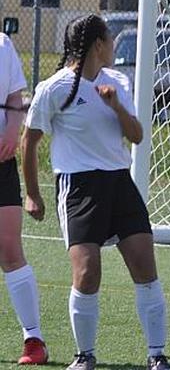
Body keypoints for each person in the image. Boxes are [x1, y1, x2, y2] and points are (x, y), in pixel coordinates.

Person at [21, 15, 170, 370]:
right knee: (87, 272)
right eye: (109, 37)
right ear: (97, 45)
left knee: (144, 267)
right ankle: (84, 355)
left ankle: (157, 355)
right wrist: (32, 194)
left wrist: (115, 106)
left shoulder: (118, 81)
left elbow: (136, 136)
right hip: (79, 188)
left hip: (120, 184)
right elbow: (28, 143)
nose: (113, 44)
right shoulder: (54, 88)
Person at [0, 32, 48, 365]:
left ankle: (34, 340)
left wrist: (11, 130)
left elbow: (15, 98)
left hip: (0, 161)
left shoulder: (2, 44)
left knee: (9, 248)